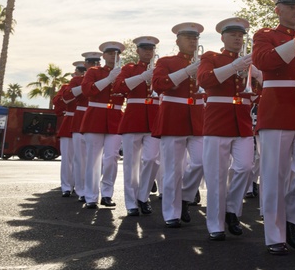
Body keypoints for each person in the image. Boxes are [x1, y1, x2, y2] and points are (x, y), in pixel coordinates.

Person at [252, 0, 295, 255]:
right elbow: (265, 61)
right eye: (289, 6)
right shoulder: (265, 35)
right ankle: (274, 235)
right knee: (274, 175)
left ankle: (290, 217)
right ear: (278, 9)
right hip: (277, 108)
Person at [197, 18, 255, 241]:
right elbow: (204, 80)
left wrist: (257, 76)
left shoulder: (247, 61)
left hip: (242, 122)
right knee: (216, 176)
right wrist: (233, 67)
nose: (238, 39)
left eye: (241, 35)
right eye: (233, 35)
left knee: (244, 167)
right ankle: (215, 223)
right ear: (222, 37)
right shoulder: (211, 57)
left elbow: (254, 91)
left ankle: (231, 210)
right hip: (217, 121)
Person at [152, 23, 203, 228]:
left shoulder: (204, 61)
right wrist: (186, 71)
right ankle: (171, 213)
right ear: (178, 41)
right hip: (173, 117)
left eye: (195, 38)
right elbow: (158, 85)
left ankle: (184, 197)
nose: (193, 41)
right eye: (188, 38)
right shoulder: (166, 61)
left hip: (197, 117)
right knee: (173, 169)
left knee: (200, 162)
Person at [115, 36, 161, 217]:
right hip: (133, 118)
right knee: (130, 165)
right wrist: (142, 77)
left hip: (154, 118)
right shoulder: (129, 68)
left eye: (151, 49)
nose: (148, 52)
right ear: (138, 51)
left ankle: (143, 196)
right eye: (144, 49)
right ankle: (130, 203)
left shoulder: (160, 69)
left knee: (152, 159)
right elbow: (118, 86)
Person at [80, 41, 125, 209]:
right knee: (93, 159)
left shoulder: (123, 72)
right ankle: (91, 196)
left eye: (117, 54)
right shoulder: (93, 72)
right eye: (110, 54)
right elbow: (88, 91)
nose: (114, 57)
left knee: (112, 157)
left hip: (115, 117)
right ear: (104, 56)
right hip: (95, 117)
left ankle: (107, 194)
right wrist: (109, 79)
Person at [69, 53, 101, 203]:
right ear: (86, 65)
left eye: (97, 62)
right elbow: (68, 96)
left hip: (98, 117)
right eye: (92, 63)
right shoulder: (77, 80)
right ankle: (81, 190)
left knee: (98, 159)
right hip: (82, 116)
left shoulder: (101, 76)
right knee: (80, 158)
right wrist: (87, 85)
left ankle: (91, 187)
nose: (95, 65)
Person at [55, 61, 85, 198]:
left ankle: (81, 185)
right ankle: (66, 186)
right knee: (67, 158)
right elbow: (59, 102)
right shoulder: (67, 87)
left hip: (86, 121)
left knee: (84, 159)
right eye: (81, 70)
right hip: (70, 121)